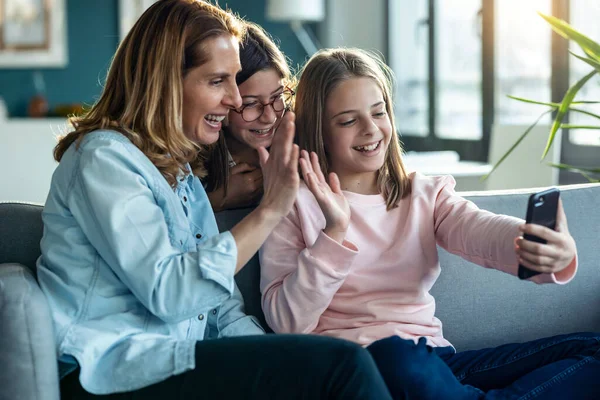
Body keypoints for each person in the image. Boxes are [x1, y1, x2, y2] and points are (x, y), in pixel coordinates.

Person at [36, 2, 393, 398]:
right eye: (217, 81)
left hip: (172, 361)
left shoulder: (181, 174)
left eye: (234, 81)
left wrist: (281, 355)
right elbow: (170, 294)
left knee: (329, 362)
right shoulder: (103, 159)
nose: (235, 100)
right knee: (343, 366)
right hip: (106, 372)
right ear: (167, 81)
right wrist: (272, 209)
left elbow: (220, 309)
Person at [259, 47, 600, 399]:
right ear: (320, 129)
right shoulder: (292, 204)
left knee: (594, 348)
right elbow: (287, 322)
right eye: (348, 120)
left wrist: (535, 246)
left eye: (379, 113)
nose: (370, 129)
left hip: (433, 363)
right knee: (395, 355)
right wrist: (334, 232)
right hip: (359, 370)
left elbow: (479, 229)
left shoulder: (424, 193)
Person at [204, 22, 294, 212]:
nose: (269, 117)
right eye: (251, 103)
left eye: (277, 96)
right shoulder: (194, 160)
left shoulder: (301, 144)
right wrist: (214, 201)